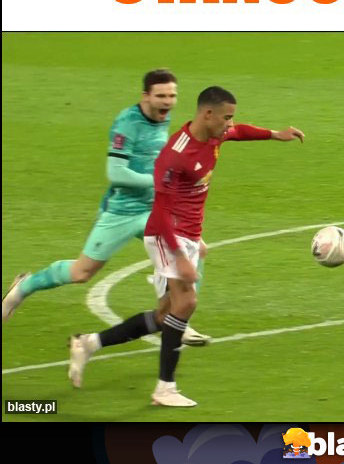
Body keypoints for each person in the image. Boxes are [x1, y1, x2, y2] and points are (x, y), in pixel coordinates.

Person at [67, 85, 305, 407]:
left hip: (189, 234)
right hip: (167, 234)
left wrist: (276, 135)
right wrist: (179, 257)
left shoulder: (216, 134)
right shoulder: (175, 156)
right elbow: (160, 212)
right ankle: (165, 388)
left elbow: (239, 132)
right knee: (187, 302)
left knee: (165, 315)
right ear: (207, 114)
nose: (229, 124)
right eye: (226, 117)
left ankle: (88, 344)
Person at [2, 69, 210, 345]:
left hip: (153, 209)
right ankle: (23, 287)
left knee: (197, 249)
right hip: (122, 211)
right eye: (161, 96)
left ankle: (179, 320)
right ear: (145, 96)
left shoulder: (162, 117)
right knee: (82, 273)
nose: (168, 102)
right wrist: (158, 179)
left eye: (172, 96)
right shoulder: (127, 123)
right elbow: (116, 173)